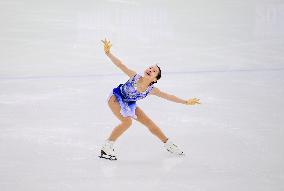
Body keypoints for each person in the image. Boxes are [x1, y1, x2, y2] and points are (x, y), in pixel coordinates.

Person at [99, 38, 201, 160]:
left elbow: (169, 96)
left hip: (129, 103)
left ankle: (168, 144)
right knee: (127, 122)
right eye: (150, 68)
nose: (150, 70)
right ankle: (106, 147)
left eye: (154, 71)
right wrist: (108, 53)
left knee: (149, 122)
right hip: (115, 97)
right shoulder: (134, 77)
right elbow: (120, 65)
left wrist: (186, 102)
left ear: (155, 79)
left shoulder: (152, 90)